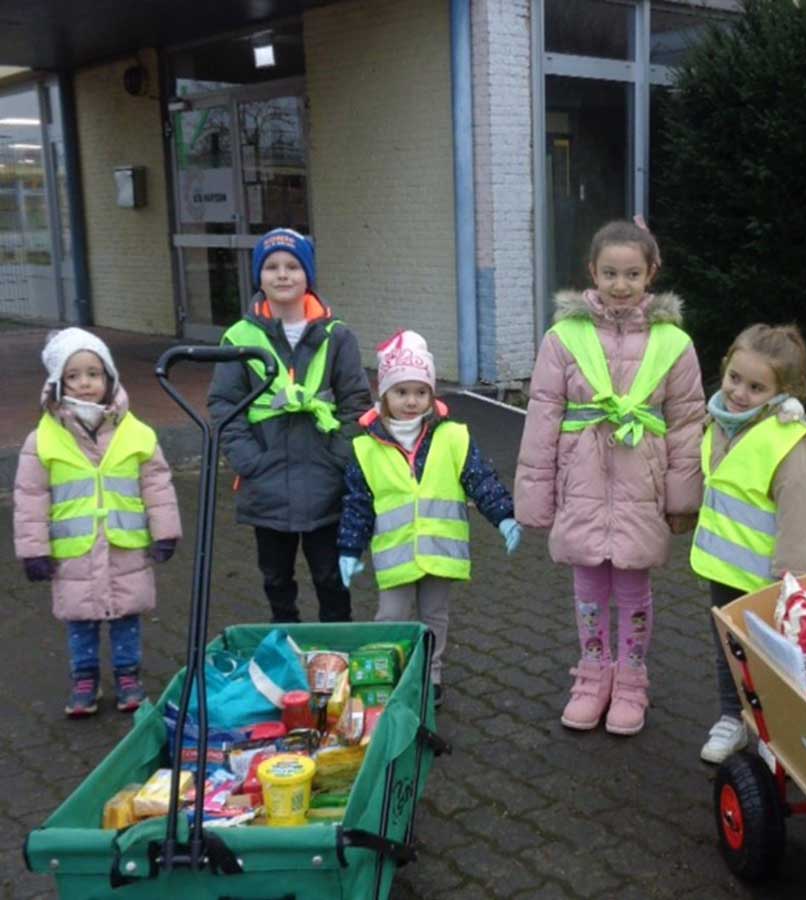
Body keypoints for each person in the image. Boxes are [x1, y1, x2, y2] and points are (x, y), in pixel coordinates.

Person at [515, 218, 705, 736]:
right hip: (583, 479)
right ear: (591, 273)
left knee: (633, 582)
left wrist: (683, 497)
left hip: (642, 483)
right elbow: (543, 414)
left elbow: (688, 421)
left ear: (651, 274)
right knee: (587, 582)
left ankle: (632, 680)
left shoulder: (673, 343)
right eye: (610, 273)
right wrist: (534, 497)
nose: (621, 285)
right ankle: (592, 674)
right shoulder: (563, 338)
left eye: (632, 274)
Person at [336, 330, 521, 707]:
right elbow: (357, 503)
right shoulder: (365, 447)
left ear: (431, 395)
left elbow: (479, 479)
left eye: (421, 392)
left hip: (440, 551)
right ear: (384, 395)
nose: (411, 401)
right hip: (395, 554)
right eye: (401, 392)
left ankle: (430, 674)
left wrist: (503, 515)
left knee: (435, 617)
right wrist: (349, 549)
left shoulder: (453, 437)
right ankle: (391, 672)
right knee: (391, 617)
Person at [13, 328, 182, 717]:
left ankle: (128, 676)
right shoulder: (42, 440)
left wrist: (166, 530)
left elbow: (157, 484)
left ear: (109, 378)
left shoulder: (136, 432)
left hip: (125, 544)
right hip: (74, 550)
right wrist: (34, 550)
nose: (85, 383)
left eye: (94, 373)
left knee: (127, 615)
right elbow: (30, 498)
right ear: (57, 383)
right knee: (79, 619)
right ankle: (84, 677)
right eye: (73, 376)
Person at [208, 228, 372, 623]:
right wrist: (250, 461)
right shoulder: (239, 337)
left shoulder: (337, 336)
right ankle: (286, 649)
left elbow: (357, 404)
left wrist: (339, 457)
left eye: (293, 266)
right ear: (259, 277)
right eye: (272, 267)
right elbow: (223, 405)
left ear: (308, 275)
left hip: (325, 483)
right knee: (275, 579)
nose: (282, 275)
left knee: (331, 578)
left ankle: (336, 654)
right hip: (267, 483)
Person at [691, 324, 806, 764]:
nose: (738, 392)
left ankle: (773, 735)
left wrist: (790, 576)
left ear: (781, 392)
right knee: (726, 653)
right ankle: (732, 719)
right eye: (734, 378)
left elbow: (800, 514)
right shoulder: (720, 423)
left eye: (755, 387)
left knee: (770, 661)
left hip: (768, 579)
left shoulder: (791, 442)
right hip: (722, 570)